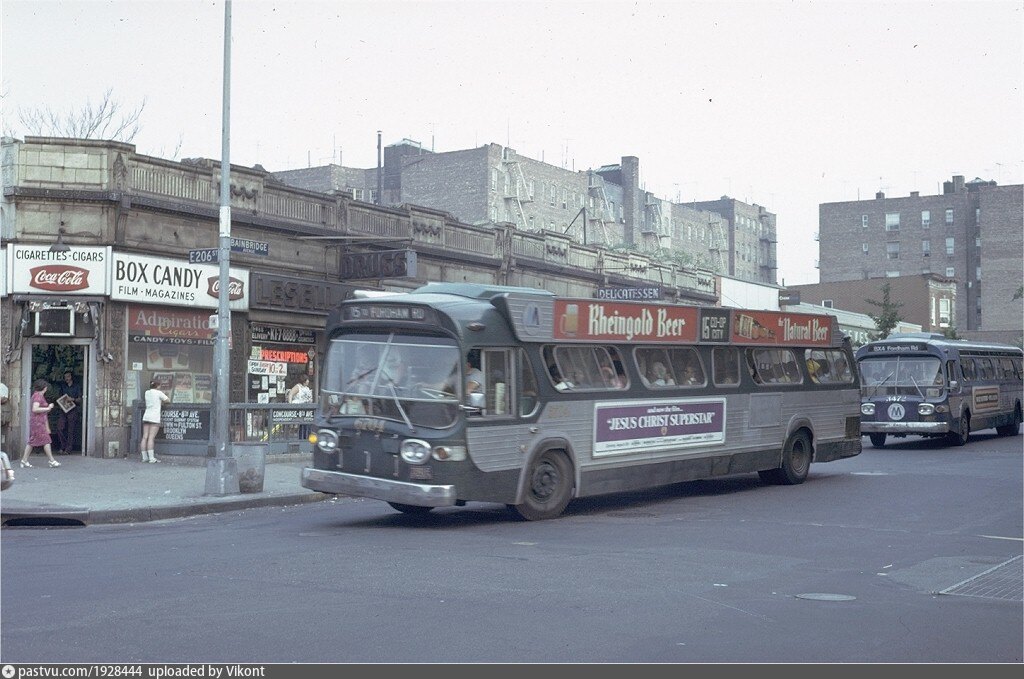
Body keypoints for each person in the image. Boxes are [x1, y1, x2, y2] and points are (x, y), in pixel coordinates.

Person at [20, 378, 60, 468]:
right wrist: (48, 408)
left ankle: (24, 460)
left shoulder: (36, 395)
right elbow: (35, 409)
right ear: (44, 388)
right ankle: (51, 460)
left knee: (32, 441)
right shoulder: (38, 396)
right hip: (38, 422)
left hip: (37, 422)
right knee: (46, 440)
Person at [140, 380, 170, 463]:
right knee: (151, 438)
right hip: (154, 417)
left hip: (146, 416)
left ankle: (144, 457)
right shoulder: (158, 393)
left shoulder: (147, 392)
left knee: (145, 437)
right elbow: (168, 400)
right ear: (158, 386)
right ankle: (151, 458)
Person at [56, 370, 83, 455]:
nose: (66, 378)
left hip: (73, 409)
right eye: (65, 377)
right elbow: (59, 397)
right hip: (63, 409)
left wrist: (73, 399)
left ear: (71, 377)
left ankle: (68, 449)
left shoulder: (77, 386)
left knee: (71, 430)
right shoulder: (63, 386)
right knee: (60, 428)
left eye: (68, 376)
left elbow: (80, 399)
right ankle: (63, 446)